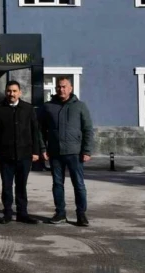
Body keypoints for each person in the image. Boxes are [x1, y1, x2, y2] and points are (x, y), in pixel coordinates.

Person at [41, 76, 94, 227]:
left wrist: (87, 150)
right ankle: (60, 213)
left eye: (64, 86)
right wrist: (43, 148)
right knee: (57, 184)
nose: (61, 89)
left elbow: (88, 129)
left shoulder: (80, 106)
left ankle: (81, 214)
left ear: (70, 88)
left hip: (75, 153)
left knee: (79, 184)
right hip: (55, 152)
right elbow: (40, 129)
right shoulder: (48, 106)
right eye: (59, 87)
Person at [0, 80, 41, 224]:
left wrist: (36, 151)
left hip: (24, 155)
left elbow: (35, 131)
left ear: (20, 92)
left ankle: (22, 213)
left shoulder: (28, 108)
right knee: (6, 186)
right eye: (9, 91)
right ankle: (7, 213)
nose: (11, 94)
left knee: (21, 186)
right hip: (5, 155)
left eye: (14, 91)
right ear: (5, 92)